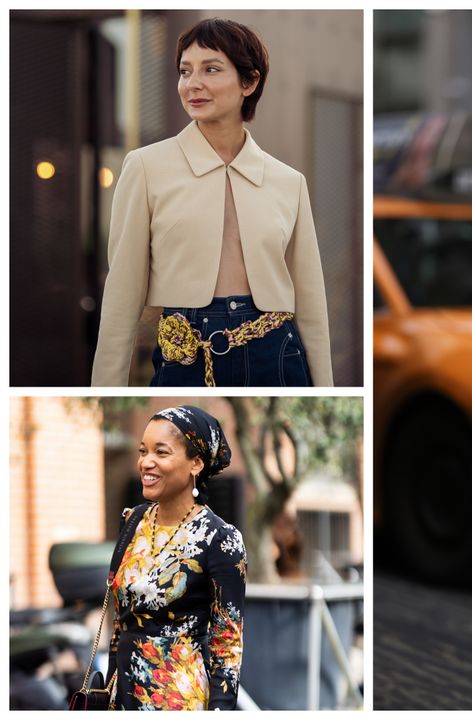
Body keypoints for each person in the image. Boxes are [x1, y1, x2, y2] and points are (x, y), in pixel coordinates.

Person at [91, 18, 332, 387]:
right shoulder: (145, 167)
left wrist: (325, 390)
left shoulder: (289, 182)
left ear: (249, 82)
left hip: (277, 351)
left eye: (211, 69)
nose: (193, 84)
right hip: (185, 351)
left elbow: (312, 305)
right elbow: (121, 299)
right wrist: (105, 387)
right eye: (185, 72)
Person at [108, 405, 246, 710]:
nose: (146, 462)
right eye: (143, 451)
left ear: (196, 463)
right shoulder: (132, 520)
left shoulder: (220, 538)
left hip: (176, 699)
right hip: (122, 695)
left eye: (161, 452)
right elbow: (120, 624)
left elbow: (228, 647)